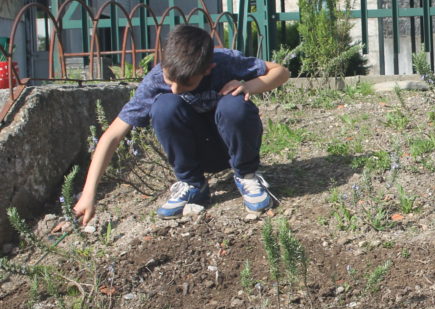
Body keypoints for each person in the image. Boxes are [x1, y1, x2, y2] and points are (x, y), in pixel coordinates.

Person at [74, 25, 291, 223]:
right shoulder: (155, 79)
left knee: (234, 105)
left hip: (231, 144)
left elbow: (281, 71)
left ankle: (247, 176)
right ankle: (193, 184)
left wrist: (248, 85)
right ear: (164, 63)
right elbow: (112, 135)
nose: (176, 88)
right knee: (163, 105)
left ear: (208, 68)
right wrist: (88, 194)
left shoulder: (224, 62)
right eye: (170, 79)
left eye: (187, 83)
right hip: (196, 151)